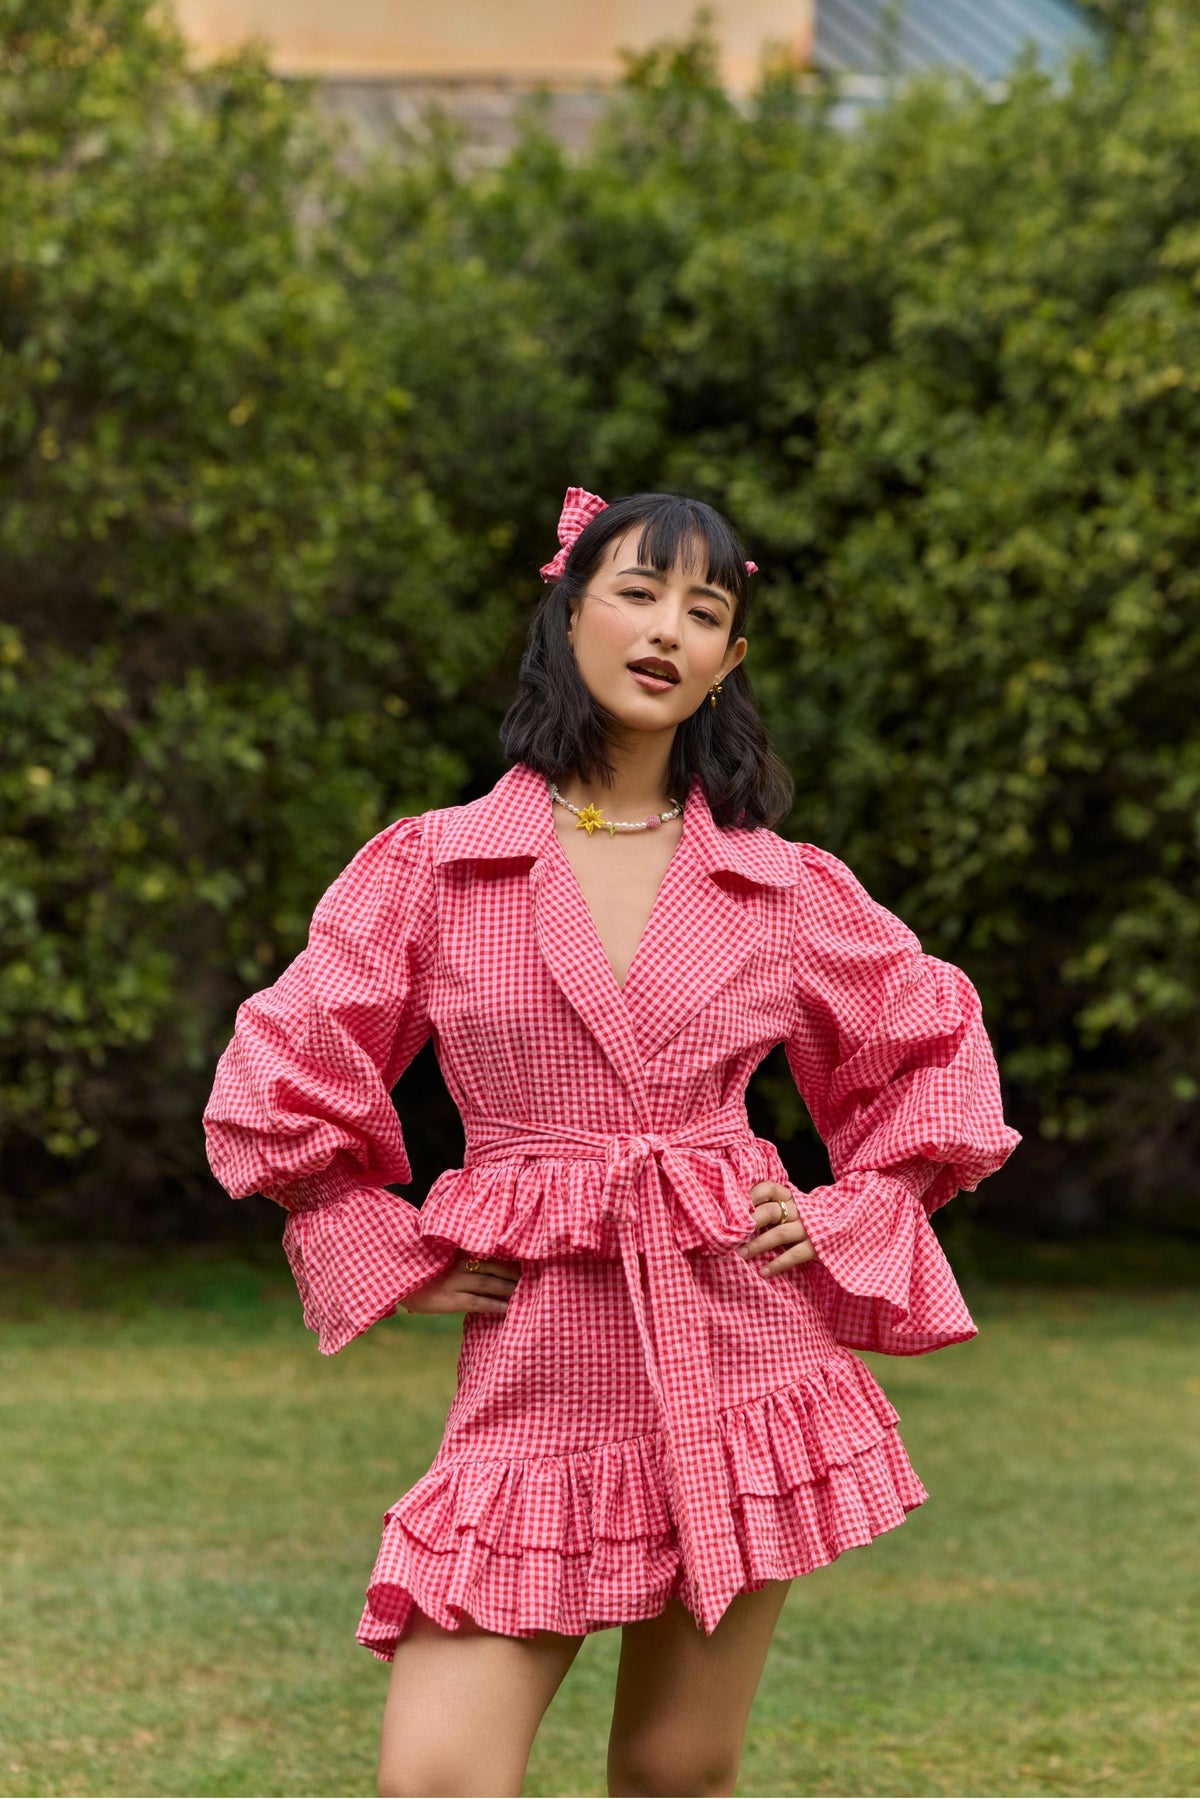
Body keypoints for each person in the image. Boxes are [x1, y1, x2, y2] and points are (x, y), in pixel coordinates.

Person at [203, 487, 1020, 1799]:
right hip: (540, 1366)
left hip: (741, 1355)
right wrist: (378, 1238)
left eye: (707, 613)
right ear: (568, 608)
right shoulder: (434, 869)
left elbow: (924, 1049)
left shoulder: (781, 885)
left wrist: (850, 1211)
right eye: (637, 592)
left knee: (676, 1769)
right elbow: (292, 1063)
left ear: (729, 662)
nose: (668, 632)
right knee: (439, 1777)